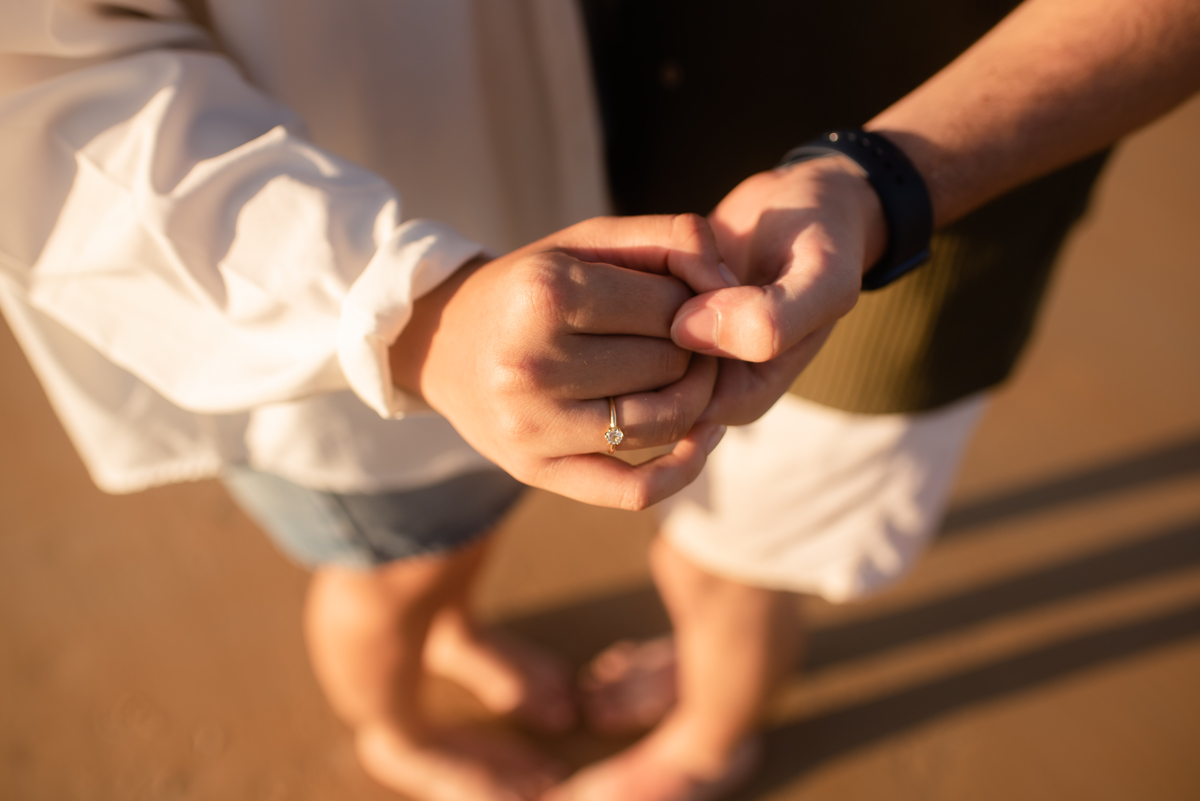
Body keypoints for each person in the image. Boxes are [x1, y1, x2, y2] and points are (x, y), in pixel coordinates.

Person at [1, 3, 1198, 801]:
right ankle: (401, 726)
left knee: (746, 558)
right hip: (374, 265)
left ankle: (706, 739)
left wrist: (886, 178)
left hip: (890, 213)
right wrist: (412, 315)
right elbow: (40, 72)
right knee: (403, 565)